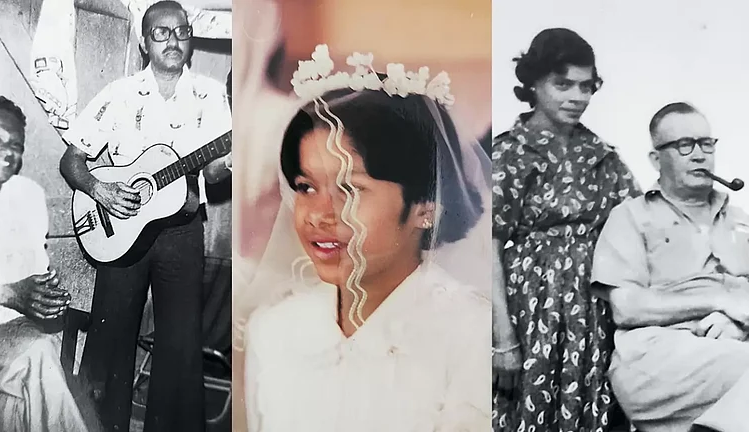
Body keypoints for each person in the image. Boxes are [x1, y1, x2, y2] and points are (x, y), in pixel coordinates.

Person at [242, 45, 492, 432]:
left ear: (426, 207)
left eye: (351, 190)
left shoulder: (470, 336)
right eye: (306, 187)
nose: (320, 214)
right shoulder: (274, 329)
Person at [58, 1, 232, 431]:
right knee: (109, 341)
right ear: (144, 41)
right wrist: (101, 190)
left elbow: (213, 171)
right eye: (162, 32)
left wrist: (227, 163)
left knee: (180, 346)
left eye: (182, 31)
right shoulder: (119, 94)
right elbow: (72, 160)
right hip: (119, 228)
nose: (174, 40)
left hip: (183, 232)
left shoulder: (210, 94)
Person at [491, 28, 641, 431]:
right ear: (534, 83)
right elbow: (487, 246)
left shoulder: (603, 156)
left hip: (593, 315)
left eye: (585, 86)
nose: (577, 97)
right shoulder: (510, 152)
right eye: (562, 84)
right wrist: (502, 339)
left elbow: (640, 223)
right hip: (529, 312)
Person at [591, 102, 749, 432]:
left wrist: (736, 323)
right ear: (655, 159)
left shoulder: (740, 220)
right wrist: (718, 301)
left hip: (733, 345)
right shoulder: (631, 217)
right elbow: (626, 308)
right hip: (655, 356)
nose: (699, 155)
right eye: (684, 145)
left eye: (706, 143)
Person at [0, 96, 92, 431]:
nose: (8, 152)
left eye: (16, 144)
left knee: (13, 403)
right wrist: (5, 292)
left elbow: (35, 271)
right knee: (38, 357)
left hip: (12, 332)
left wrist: (47, 296)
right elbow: (11, 292)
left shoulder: (28, 196)